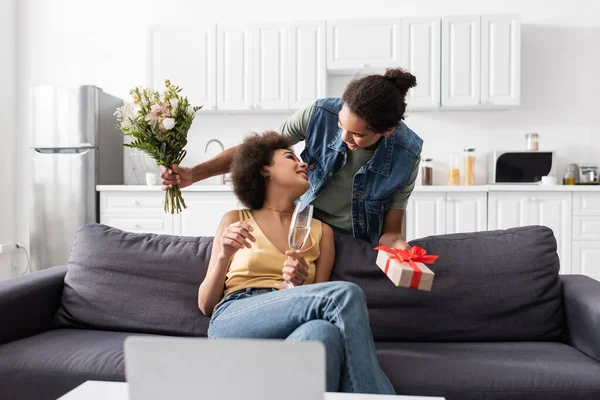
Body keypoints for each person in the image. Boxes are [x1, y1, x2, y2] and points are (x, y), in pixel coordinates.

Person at [198, 131, 395, 395]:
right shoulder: (235, 219)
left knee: (323, 333)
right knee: (344, 294)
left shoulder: (321, 231)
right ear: (264, 170)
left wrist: (297, 285)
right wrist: (223, 255)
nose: (303, 164)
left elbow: (316, 301)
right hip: (236, 316)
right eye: (291, 157)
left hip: (292, 326)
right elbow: (206, 305)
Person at [162, 68, 423, 250]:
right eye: (342, 125)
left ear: (387, 131)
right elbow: (256, 152)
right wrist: (194, 174)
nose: (344, 138)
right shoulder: (319, 113)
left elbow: (390, 231)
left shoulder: (407, 154)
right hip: (302, 227)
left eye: (357, 135)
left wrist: (399, 246)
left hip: (355, 241)